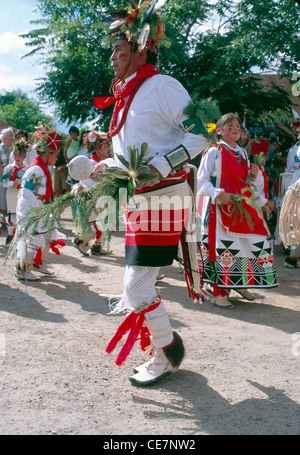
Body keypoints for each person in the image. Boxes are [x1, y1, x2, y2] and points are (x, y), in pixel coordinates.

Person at [92, 2, 209, 387]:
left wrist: (159, 167)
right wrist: (102, 169)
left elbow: (199, 134)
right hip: (142, 200)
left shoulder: (162, 86)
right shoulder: (129, 94)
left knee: (136, 285)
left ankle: (166, 351)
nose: (112, 58)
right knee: (137, 279)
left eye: (118, 49)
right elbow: (130, 158)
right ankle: (165, 349)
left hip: (165, 195)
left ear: (141, 47)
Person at [197, 113, 277, 309]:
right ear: (219, 131)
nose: (235, 128)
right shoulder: (214, 152)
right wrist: (217, 194)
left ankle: (241, 283)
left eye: (237, 125)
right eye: (229, 125)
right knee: (224, 250)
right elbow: (201, 181)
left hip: (244, 209)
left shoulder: (242, 153)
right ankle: (219, 293)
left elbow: (246, 185)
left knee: (251, 244)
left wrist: (263, 198)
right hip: (221, 209)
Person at [14, 129, 66, 281]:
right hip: (31, 210)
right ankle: (22, 269)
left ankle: (39, 264)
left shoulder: (43, 168)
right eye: (55, 155)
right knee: (33, 239)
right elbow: (26, 192)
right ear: (47, 153)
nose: (57, 158)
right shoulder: (36, 169)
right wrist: (40, 203)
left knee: (51, 234)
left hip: (39, 208)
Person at [73, 132, 111, 256]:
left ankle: (97, 246)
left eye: (107, 146)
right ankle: (82, 240)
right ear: (97, 149)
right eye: (104, 147)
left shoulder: (100, 163)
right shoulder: (92, 164)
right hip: (92, 197)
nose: (108, 149)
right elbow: (90, 183)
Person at [0, 138, 28, 245]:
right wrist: (12, 183)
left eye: (20, 155)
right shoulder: (9, 168)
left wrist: (22, 184)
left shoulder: (27, 169)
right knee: (12, 214)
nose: (17, 158)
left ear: (24, 156)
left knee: (21, 214)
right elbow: (2, 182)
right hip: (11, 194)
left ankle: (20, 235)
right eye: (15, 155)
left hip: (22, 194)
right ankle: (11, 234)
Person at [0, 127, 14, 226]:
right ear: (3, 138)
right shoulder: (0, 149)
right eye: (10, 136)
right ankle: (3, 220)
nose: (12, 137)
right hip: (2, 177)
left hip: (12, 177)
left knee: (10, 199)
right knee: (2, 200)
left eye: (12, 136)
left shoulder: (13, 149)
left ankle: (9, 221)